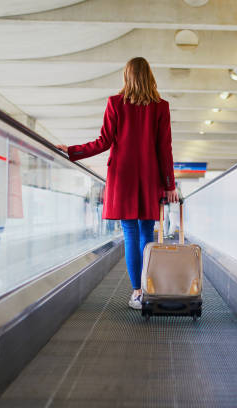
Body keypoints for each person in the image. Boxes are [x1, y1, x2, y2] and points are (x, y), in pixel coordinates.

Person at [56, 57, 178, 310]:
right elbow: (164, 149)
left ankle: (136, 293)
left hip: (123, 177)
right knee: (147, 233)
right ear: (150, 76)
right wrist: (169, 185)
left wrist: (72, 151)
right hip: (149, 176)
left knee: (130, 233)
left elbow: (103, 142)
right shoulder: (161, 107)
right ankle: (148, 288)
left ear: (126, 77)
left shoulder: (115, 103)